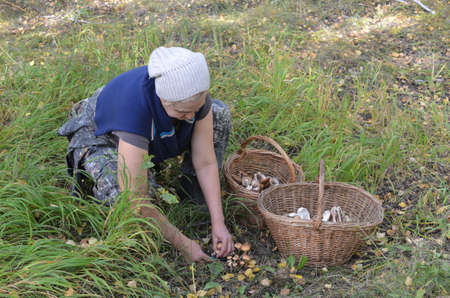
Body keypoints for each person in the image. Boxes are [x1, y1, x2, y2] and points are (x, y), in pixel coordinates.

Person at [58, 46, 234, 262]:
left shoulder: (194, 96)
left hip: (150, 124)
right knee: (130, 202)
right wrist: (182, 243)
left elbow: (206, 162)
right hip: (101, 134)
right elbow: (136, 200)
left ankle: (192, 192)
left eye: (195, 110)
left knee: (219, 114)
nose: (190, 116)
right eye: (182, 112)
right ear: (163, 100)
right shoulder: (133, 112)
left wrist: (219, 222)